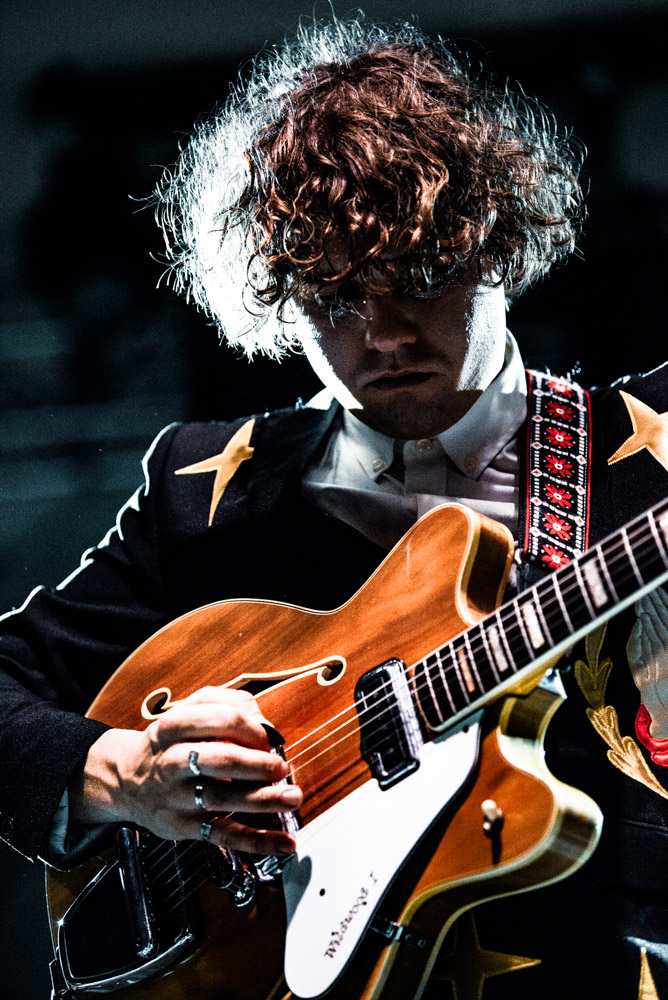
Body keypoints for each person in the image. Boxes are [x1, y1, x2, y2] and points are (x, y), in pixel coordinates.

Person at [2, 15, 668, 1000]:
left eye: (422, 277)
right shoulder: (206, 495)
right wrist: (123, 772)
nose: (386, 332)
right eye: (337, 293)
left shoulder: (648, 450)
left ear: (498, 243)